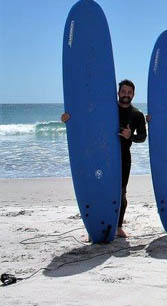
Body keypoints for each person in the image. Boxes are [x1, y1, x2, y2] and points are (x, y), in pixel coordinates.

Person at [60, 79, 147, 238]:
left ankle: (118, 226)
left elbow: (143, 137)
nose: (126, 95)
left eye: (129, 92)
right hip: (101, 156)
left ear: (133, 94)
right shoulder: (107, 109)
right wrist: (68, 119)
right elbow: (87, 118)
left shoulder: (137, 114)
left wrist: (131, 136)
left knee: (121, 193)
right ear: (118, 93)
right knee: (100, 189)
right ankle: (97, 224)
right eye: (123, 91)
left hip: (123, 157)